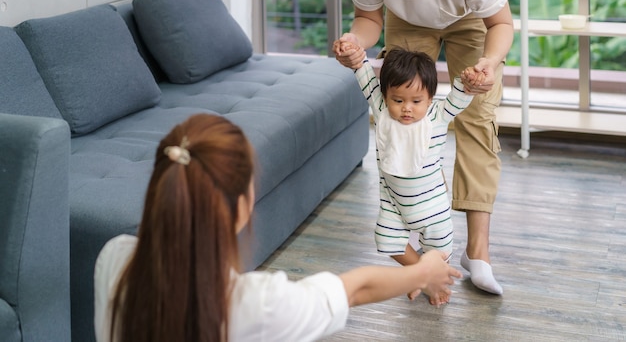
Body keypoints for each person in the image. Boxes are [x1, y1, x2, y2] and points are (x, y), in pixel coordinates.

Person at [93, 113, 462, 342]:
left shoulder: (113, 258)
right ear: (240, 207)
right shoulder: (258, 303)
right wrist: (425, 270)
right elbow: (354, 289)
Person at [333, 0, 514, 296]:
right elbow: (368, 19)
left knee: (477, 120)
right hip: (408, 21)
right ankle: (429, 252)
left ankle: (477, 251)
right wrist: (354, 41)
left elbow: (500, 22)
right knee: (400, 116)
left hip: (473, 17)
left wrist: (490, 63)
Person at [337, 44, 477, 305]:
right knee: (386, 239)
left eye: (416, 101)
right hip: (394, 205)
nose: (406, 109)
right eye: (398, 100)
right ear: (386, 96)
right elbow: (365, 76)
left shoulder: (437, 116)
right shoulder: (381, 112)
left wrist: (467, 82)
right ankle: (421, 277)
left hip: (432, 207)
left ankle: (429, 280)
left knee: (441, 251)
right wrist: (356, 58)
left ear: (430, 98)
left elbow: (460, 97)